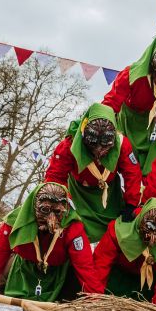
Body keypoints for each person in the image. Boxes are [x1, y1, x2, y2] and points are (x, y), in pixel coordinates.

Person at [0, 182, 96, 300]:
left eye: (57, 212)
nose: (51, 219)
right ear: (34, 206)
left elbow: (84, 264)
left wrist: (94, 298)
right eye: (45, 210)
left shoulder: (73, 227)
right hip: (22, 267)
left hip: (58, 273)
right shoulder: (15, 221)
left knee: (71, 293)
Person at [45, 103, 142, 242]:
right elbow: (54, 176)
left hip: (111, 197)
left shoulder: (122, 144)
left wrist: (131, 204)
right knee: (72, 230)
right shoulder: (68, 146)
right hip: (79, 195)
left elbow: (132, 173)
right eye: (93, 144)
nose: (98, 151)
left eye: (104, 146)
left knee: (114, 232)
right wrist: (57, 204)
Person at [102, 33, 156, 174]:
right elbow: (111, 102)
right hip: (129, 123)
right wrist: (99, 123)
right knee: (127, 164)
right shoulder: (132, 74)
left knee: (153, 168)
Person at [91, 199, 156, 298]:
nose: (153, 236)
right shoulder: (119, 232)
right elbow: (100, 266)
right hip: (115, 283)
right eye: (150, 227)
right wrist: (95, 298)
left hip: (149, 290)